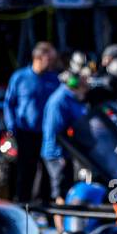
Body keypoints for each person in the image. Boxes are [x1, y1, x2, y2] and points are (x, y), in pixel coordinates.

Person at [2, 41, 58, 202]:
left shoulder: (53, 80)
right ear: (39, 58)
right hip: (24, 133)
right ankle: (22, 204)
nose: (51, 63)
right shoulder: (20, 77)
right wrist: (11, 127)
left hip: (47, 134)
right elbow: (9, 103)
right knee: (25, 171)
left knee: (48, 172)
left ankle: (46, 205)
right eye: (49, 59)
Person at [39, 69, 90, 204]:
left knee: (67, 190)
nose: (85, 91)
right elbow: (54, 131)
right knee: (60, 192)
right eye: (84, 87)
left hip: (66, 153)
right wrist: (59, 155)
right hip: (57, 155)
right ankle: (60, 225)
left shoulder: (72, 99)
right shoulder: (59, 101)